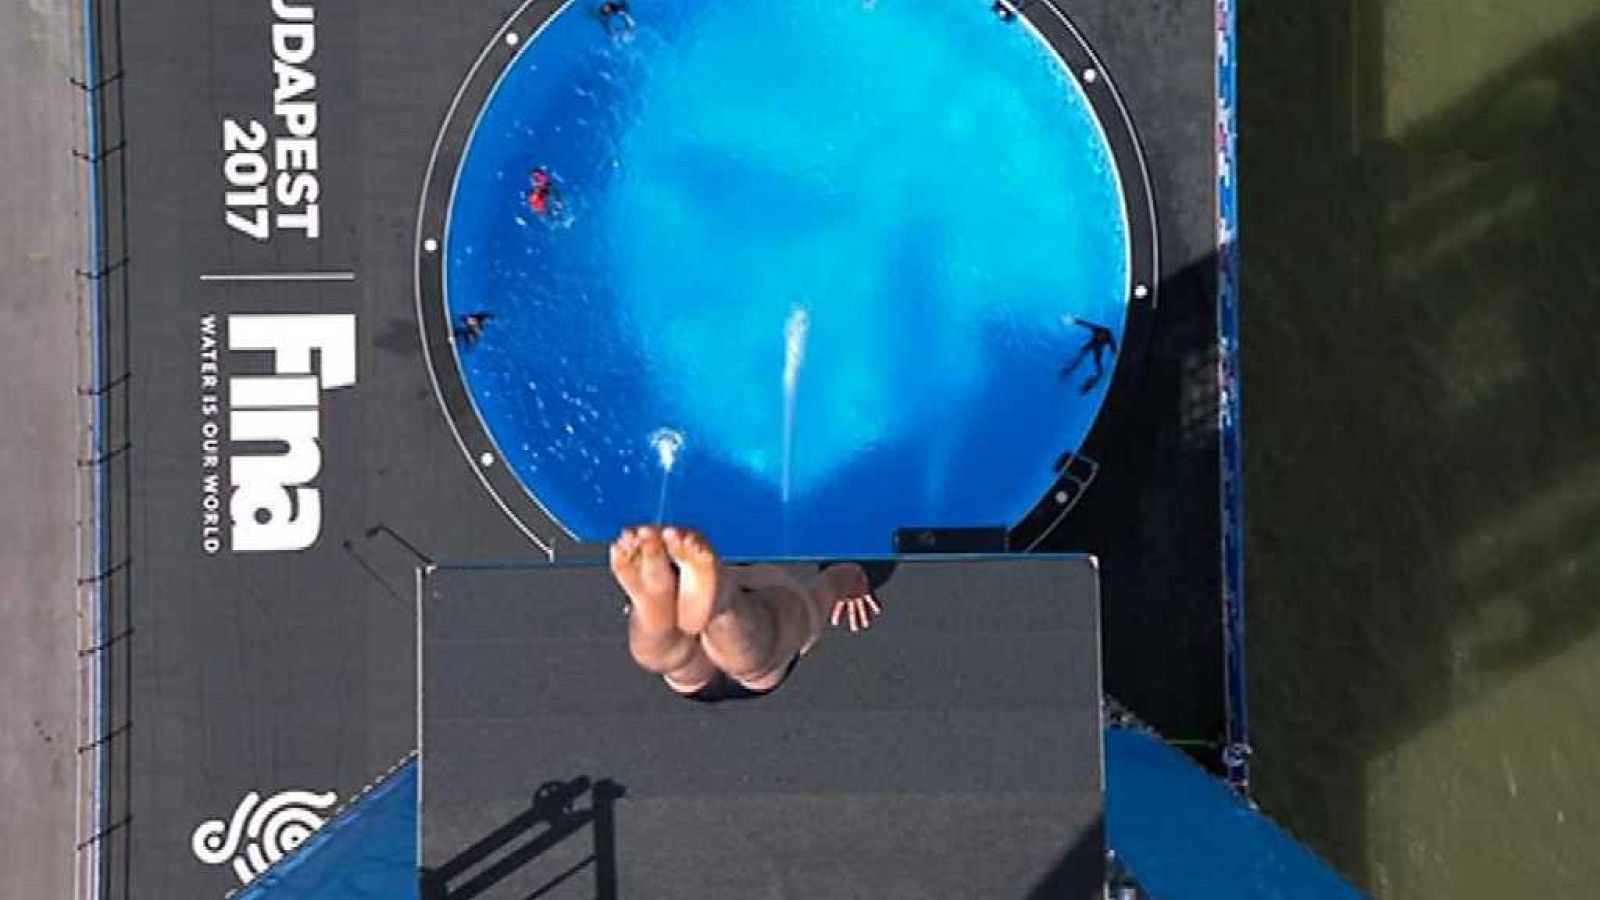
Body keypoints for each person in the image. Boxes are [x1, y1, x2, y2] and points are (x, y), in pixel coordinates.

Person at [611, 526, 880, 702]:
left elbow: (840, 579)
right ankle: (715, 607)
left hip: (753, 627)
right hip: (715, 663)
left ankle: (663, 614)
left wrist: (853, 579)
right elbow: (843, 577)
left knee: (770, 635)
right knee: (750, 647)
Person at [1061, 315, 1118, 394]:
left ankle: (1096, 377)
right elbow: (1085, 324)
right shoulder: (1097, 329)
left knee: (1097, 362)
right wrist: (1075, 321)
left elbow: (1114, 349)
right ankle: (1070, 369)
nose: (1100, 337)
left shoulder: (1109, 336)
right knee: (1081, 354)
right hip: (1092, 344)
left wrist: (1116, 356)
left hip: (1097, 349)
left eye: (1102, 337)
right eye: (1100, 336)